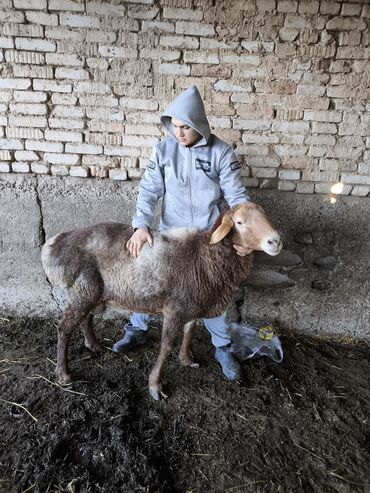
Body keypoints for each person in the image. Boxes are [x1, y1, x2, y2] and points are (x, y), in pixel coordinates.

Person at [113, 85, 250, 380]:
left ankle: (222, 347)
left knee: (214, 294)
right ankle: (137, 329)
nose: (179, 133)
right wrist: (140, 225)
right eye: (174, 126)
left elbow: (237, 199)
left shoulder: (221, 153)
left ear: (199, 124)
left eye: (185, 126)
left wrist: (242, 237)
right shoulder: (163, 151)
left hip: (207, 239)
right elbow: (149, 190)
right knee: (149, 283)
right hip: (171, 235)